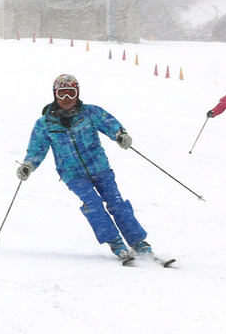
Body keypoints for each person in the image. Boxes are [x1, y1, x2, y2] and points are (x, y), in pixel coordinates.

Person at [16, 74, 152, 261]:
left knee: (116, 203)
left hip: (100, 168)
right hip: (72, 174)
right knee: (93, 204)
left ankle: (138, 242)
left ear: (77, 93)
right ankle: (115, 242)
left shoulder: (90, 113)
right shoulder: (45, 124)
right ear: (55, 95)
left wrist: (120, 134)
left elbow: (109, 123)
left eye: (70, 93)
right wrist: (29, 165)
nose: (66, 99)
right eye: (62, 94)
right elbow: (37, 148)